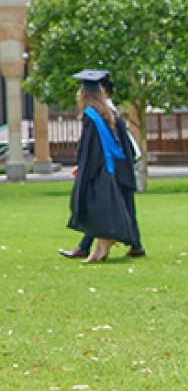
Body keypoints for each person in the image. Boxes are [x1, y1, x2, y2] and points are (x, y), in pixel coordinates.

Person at [59, 73, 145, 259]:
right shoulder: (107, 113)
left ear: (83, 95)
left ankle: (98, 248)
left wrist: (84, 168)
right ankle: (102, 248)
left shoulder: (92, 116)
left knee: (96, 206)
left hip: (102, 169)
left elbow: (90, 147)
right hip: (116, 167)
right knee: (112, 207)